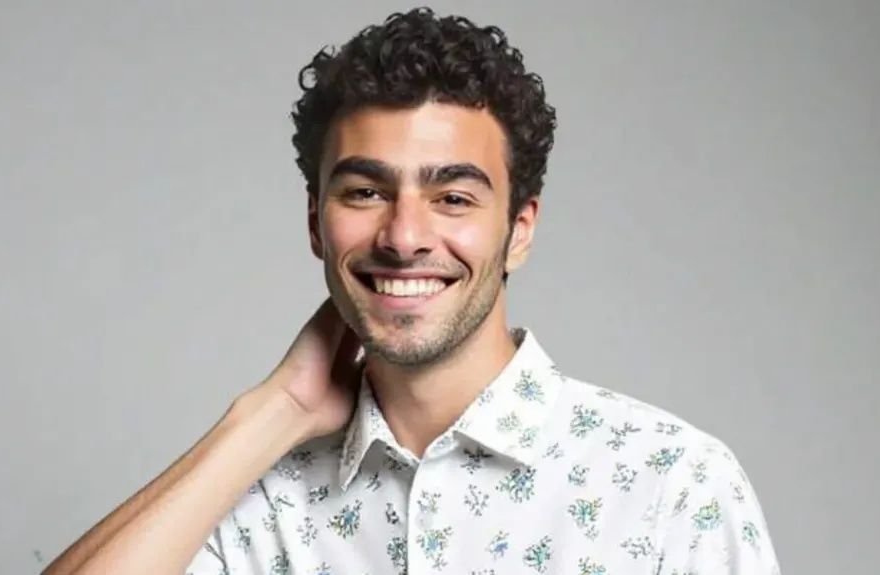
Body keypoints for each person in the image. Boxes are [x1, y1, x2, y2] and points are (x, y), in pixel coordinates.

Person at [44, 8, 781, 575]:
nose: (403, 236)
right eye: (365, 192)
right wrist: (271, 413)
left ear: (519, 229)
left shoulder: (669, 486)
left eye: (453, 198)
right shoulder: (260, 500)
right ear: (316, 223)